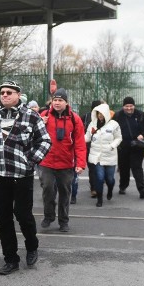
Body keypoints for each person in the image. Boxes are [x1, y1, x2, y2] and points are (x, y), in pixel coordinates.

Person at [0, 80, 51, 275]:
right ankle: (10, 258)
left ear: (18, 95)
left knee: (23, 215)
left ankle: (32, 246)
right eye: (2, 92)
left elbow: (45, 140)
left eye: (9, 92)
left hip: (22, 175)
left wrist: (31, 160)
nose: (5, 95)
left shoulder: (31, 116)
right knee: (3, 219)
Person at [38, 88, 86, 232]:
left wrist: (80, 164)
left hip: (66, 163)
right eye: (55, 100)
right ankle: (49, 216)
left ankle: (63, 221)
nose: (57, 103)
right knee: (47, 189)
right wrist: (40, 123)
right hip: (47, 161)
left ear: (66, 102)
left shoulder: (74, 119)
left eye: (60, 100)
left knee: (65, 192)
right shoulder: (44, 115)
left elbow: (80, 143)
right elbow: (33, 135)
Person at [85, 102, 123, 207]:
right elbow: (87, 137)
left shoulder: (114, 124)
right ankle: (100, 198)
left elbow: (119, 138)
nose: (100, 116)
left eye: (102, 113)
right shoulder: (92, 124)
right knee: (100, 178)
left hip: (110, 155)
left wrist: (112, 145)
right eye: (98, 113)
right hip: (97, 156)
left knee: (110, 179)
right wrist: (77, 140)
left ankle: (110, 189)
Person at [114, 96, 144, 199]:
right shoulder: (118, 116)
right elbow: (112, 129)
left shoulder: (140, 115)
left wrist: (143, 135)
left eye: (131, 106)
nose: (129, 108)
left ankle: (142, 189)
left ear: (134, 105)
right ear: (123, 106)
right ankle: (123, 186)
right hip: (123, 146)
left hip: (137, 146)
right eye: (126, 106)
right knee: (124, 168)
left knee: (137, 167)